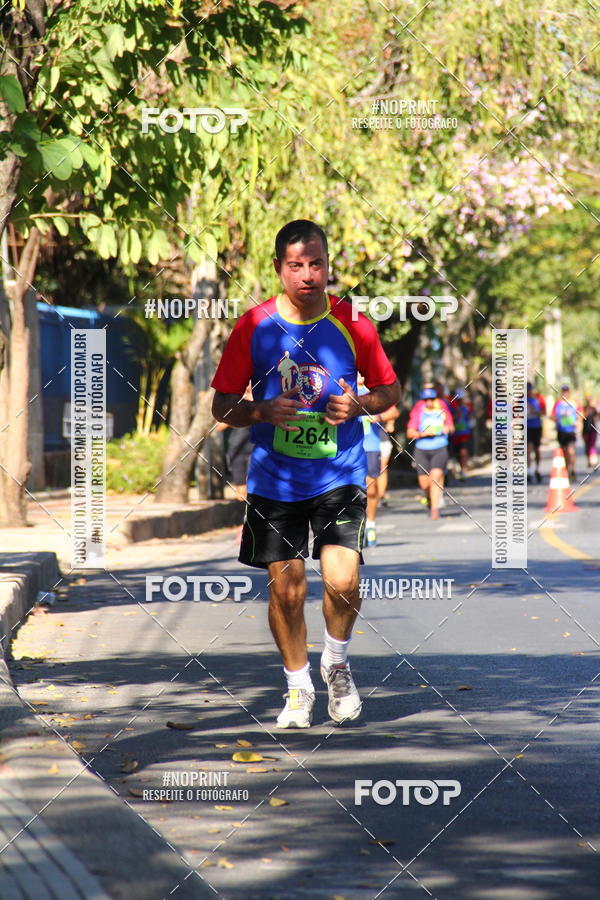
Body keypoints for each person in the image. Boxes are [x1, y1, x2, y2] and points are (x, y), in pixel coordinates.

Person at [211, 219, 401, 729]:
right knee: (288, 591)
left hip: (337, 475)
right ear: (279, 268)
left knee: (343, 580)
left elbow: (390, 390)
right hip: (275, 481)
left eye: (316, 264)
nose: (308, 275)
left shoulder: (353, 322)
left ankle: (335, 662)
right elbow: (221, 407)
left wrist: (358, 402)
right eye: (296, 265)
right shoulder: (254, 326)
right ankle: (298, 688)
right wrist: (262, 411)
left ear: (327, 265)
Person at [406, 387, 454, 520]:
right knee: (424, 483)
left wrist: (446, 429)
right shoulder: (419, 412)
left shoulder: (442, 410)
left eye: (431, 399)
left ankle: (434, 508)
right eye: (426, 399)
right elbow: (410, 432)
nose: (429, 402)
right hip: (422, 449)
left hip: (440, 447)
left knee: (435, 476)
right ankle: (429, 498)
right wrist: (422, 434)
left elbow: (451, 427)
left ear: (436, 399)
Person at [551, 385, 579, 478]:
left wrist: (576, 422)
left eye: (566, 391)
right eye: (563, 391)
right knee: (564, 452)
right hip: (561, 431)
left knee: (571, 451)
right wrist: (558, 418)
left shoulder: (574, 403)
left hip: (571, 431)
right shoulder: (558, 404)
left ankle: (573, 469)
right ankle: (567, 469)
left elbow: (581, 415)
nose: (565, 393)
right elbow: (552, 416)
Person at [377, 402, 400, 506]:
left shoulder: (375, 392)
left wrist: (381, 418)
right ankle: (370, 495)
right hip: (362, 440)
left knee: (382, 468)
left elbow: (394, 412)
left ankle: (381, 496)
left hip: (382, 439)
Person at [448, 388, 472, 479]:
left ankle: (464, 470)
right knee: (456, 452)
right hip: (454, 434)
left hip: (464, 433)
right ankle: (459, 468)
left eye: (461, 399)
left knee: (463, 452)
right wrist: (455, 416)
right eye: (458, 399)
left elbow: (469, 419)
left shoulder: (466, 408)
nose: (460, 401)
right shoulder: (451, 408)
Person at [526, 381, 545, 483]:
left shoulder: (538, 399)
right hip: (526, 427)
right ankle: (528, 471)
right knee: (528, 449)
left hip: (537, 427)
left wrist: (534, 411)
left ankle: (537, 469)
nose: (528, 392)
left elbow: (544, 412)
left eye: (529, 390)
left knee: (537, 449)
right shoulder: (520, 401)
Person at [582, 397, 598, 469]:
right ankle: (589, 460)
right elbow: (582, 416)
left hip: (593, 430)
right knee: (587, 446)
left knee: (592, 445)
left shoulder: (593, 409)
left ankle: (593, 461)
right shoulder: (583, 408)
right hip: (585, 430)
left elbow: (597, 417)